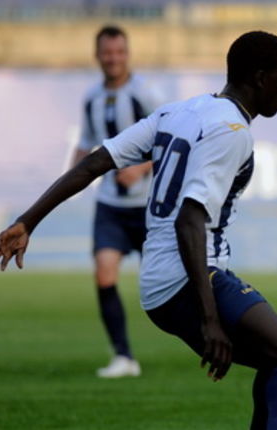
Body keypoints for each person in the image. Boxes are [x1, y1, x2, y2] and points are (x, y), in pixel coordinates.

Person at [0, 31, 277, 429]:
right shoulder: (233, 133)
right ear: (260, 77)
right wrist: (209, 317)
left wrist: (28, 220)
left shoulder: (177, 113)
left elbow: (95, 163)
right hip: (192, 278)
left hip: (158, 285)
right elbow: (189, 219)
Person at [74, 25, 163, 378]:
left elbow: (172, 141)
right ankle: (123, 356)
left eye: (119, 52)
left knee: (165, 281)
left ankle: (211, 340)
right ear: (98, 55)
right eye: (107, 53)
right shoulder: (92, 97)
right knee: (104, 272)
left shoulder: (145, 93)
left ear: (127, 54)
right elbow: (85, 143)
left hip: (147, 206)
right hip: (110, 204)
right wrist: (68, 181)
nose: (113, 58)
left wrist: (141, 169)